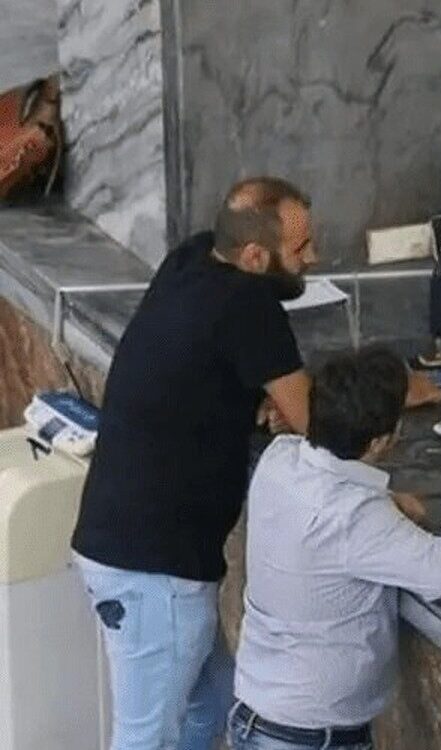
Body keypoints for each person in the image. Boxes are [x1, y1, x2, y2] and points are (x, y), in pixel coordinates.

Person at [71, 177, 317, 750]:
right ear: (254, 257)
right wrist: (402, 389)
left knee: (212, 706)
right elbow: (317, 421)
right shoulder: (249, 303)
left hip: (129, 547)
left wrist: (256, 402)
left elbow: (198, 365)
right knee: (147, 739)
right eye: (300, 248)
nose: (313, 258)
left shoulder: (192, 259)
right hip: (156, 573)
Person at [228, 347, 441, 750]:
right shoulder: (357, 516)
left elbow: (331, 499)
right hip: (311, 739)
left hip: (261, 719)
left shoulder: (278, 460)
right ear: (382, 440)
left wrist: (387, 501)